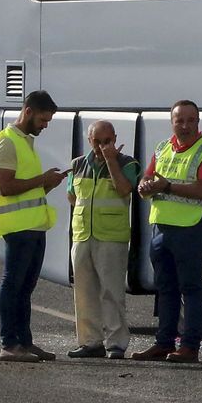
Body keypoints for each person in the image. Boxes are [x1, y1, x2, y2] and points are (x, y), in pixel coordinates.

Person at [132, 100, 202, 363]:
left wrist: (166, 187)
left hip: (190, 228)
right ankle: (163, 343)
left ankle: (189, 347)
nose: (185, 126)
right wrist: (144, 186)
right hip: (161, 228)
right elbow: (147, 177)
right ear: (172, 122)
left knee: (191, 288)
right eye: (179, 121)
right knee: (165, 289)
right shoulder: (163, 148)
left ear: (198, 122)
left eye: (190, 120)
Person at [0, 90, 66, 364]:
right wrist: (41, 179)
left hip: (33, 226)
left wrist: (48, 183)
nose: (45, 126)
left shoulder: (25, 142)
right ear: (28, 111)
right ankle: (9, 344)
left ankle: (24, 342)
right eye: (43, 120)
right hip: (18, 227)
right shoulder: (7, 142)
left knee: (25, 287)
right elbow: (7, 187)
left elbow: (28, 189)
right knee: (13, 284)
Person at [66, 120, 139, 360]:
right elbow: (71, 196)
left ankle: (116, 343)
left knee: (112, 292)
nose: (101, 147)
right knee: (84, 292)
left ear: (115, 139)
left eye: (107, 141)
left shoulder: (127, 163)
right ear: (89, 141)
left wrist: (111, 161)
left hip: (111, 236)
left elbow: (124, 189)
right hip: (82, 235)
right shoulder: (78, 164)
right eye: (97, 142)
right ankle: (90, 342)